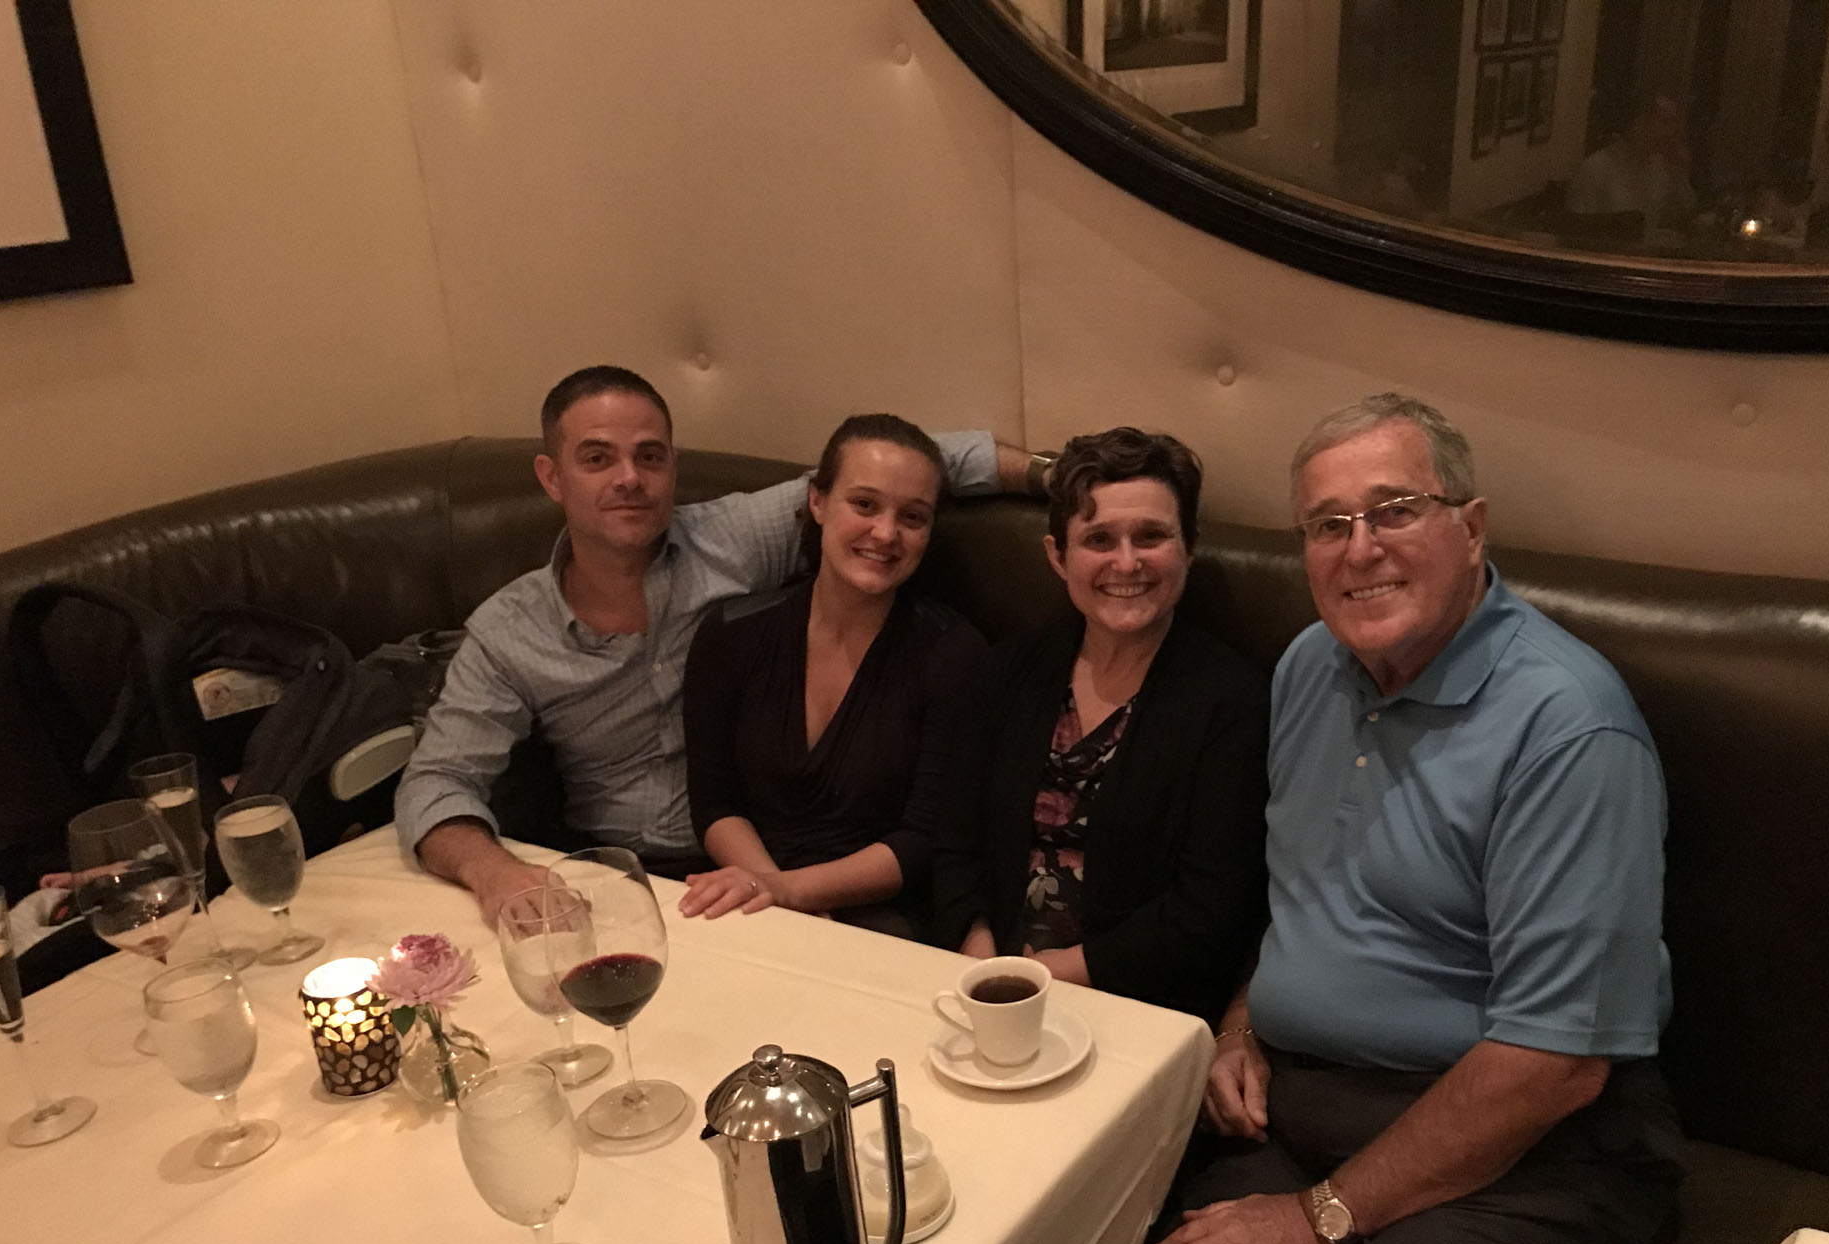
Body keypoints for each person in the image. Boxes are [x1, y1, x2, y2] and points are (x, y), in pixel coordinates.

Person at [1103, 394, 1685, 1244]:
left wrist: (1319, 1218)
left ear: (1471, 527)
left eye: (1394, 510)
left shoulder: (1568, 725)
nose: (1358, 548)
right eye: (1327, 524)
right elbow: (1304, 894)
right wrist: (1243, 1022)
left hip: (1543, 1151)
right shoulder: (1307, 670)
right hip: (1321, 1104)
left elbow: (1556, 1061)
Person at [393, 365, 1035, 923]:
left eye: (650, 456)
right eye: (597, 458)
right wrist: (495, 873)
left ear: (674, 466)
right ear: (552, 477)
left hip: (753, 868)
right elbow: (438, 778)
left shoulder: (731, 539)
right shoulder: (510, 630)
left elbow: (894, 473)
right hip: (612, 876)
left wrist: (1063, 479)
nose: (629, 478)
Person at [935, 427, 1268, 1021]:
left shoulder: (1232, 701)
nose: (1127, 562)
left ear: (1189, 548)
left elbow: (1210, 910)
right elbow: (952, 842)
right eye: (1099, 539)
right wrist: (980, 959)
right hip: (980, 980)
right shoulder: (1007, 671)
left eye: (1151, 536)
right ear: (1057, 557)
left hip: (1138, 1006)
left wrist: (1038, 978)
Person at [676, 414, 986, 937]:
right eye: (864, 504)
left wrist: (790, 892)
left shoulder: (955, 653)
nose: (885, 533)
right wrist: (768, 891)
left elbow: (924, 838)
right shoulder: (730, 634)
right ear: (817, 501)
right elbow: (715, 802)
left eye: (913, 517)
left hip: (886, 920)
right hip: (745, 901)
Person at [1565, 95, 1698, 237]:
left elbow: (1687, 213)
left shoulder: (1661, 168)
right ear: (1639, 123)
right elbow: (1576, 230)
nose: (1672, 132)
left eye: (1674, 123)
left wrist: (1679, 173)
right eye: (1665, 122)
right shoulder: (1595, 168)